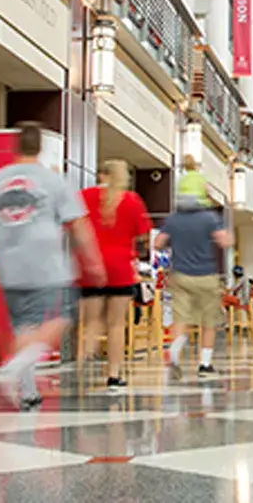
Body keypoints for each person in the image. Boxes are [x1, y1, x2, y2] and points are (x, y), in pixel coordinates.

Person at [0, 122, 104, 409]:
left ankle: (28, 389)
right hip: (46, 264)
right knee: (62, 316)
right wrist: (93, 261)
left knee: (25, 325)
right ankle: (15, 367)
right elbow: (78, 223)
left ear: (15, 146)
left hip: (10, 267)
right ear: (40, 147)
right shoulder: (53, 180)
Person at [78, 158, 151, 391]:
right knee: (117, 324)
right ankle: (114, 375)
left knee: (91, 322)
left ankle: (82, 362)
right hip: (120, 267)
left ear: (102, 175)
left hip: (91, 266)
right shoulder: (132, 200)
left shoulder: (85, 196)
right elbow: (143, 235)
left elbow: (73, 227)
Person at [155, 194, 232, 379]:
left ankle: (174, 351)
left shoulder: (173, 219)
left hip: (180, 275)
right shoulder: (209, 218)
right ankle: (205, 365)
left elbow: (157, 243)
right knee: (208, 322)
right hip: (205, 275)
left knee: (181, 319)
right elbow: (225, 241)